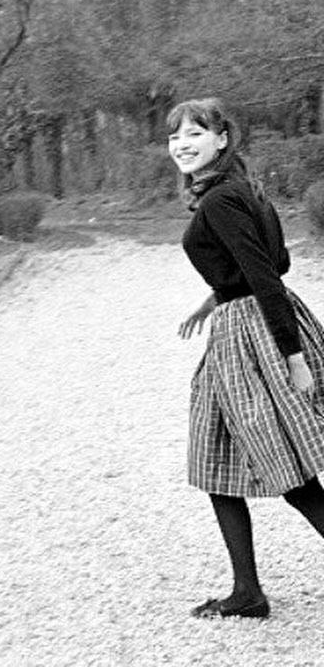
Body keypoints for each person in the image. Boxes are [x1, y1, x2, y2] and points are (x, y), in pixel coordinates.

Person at [171, 97, 324, 620]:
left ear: (221, 139)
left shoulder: (220, 200)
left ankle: (248, 592)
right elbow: (274, 261)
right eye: (175, 136)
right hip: (245, 322)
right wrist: (216, 295)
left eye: (195, 133)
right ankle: (246, 591)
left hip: (253, 334)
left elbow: (264, 274)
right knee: (215, 459)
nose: (182, 144)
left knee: (290, 469)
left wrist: (293, 357)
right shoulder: (244, 190)